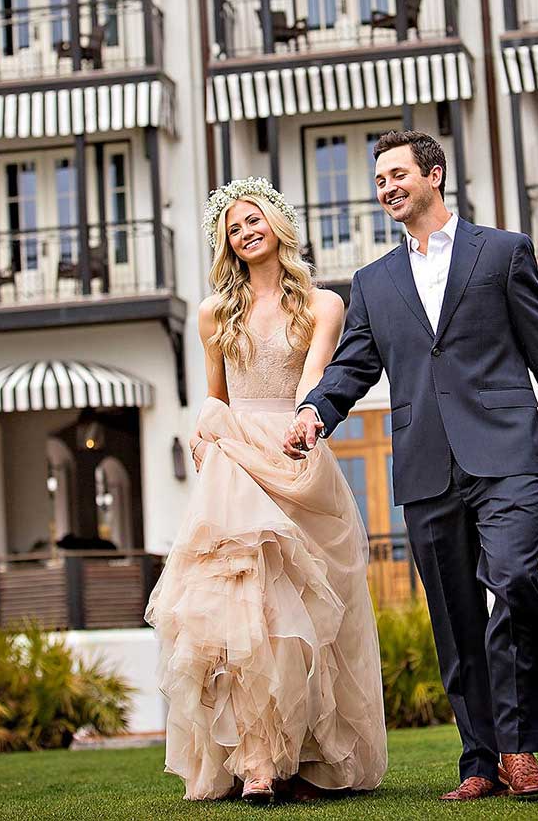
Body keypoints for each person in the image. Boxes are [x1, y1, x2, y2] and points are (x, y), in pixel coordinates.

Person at [286, 130, 538, 802]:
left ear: (434, 175)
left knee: (516, 581)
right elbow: (353, 367)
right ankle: (479, 760)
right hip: (426, 462)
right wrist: (317, 412)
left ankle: (521, 750)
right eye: (379, 181)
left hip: (504, 452)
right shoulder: (373, 282)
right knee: (454, 617)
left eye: (398, 174)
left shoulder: (501, 252)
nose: (387, 188)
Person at [146, 178, 387, 804]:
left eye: (254, 220)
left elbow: (312, 382)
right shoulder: (212, 313)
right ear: (225, 242)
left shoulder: (322, 304)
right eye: (233, 227)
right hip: (233, 460)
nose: (246, 232)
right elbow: (216, 394)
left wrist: (299, 428)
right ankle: (253, 762)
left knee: (303, 617)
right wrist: (204, 432)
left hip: (292, 453)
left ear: (278, 225)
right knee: (241, 612)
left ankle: (304, 757)